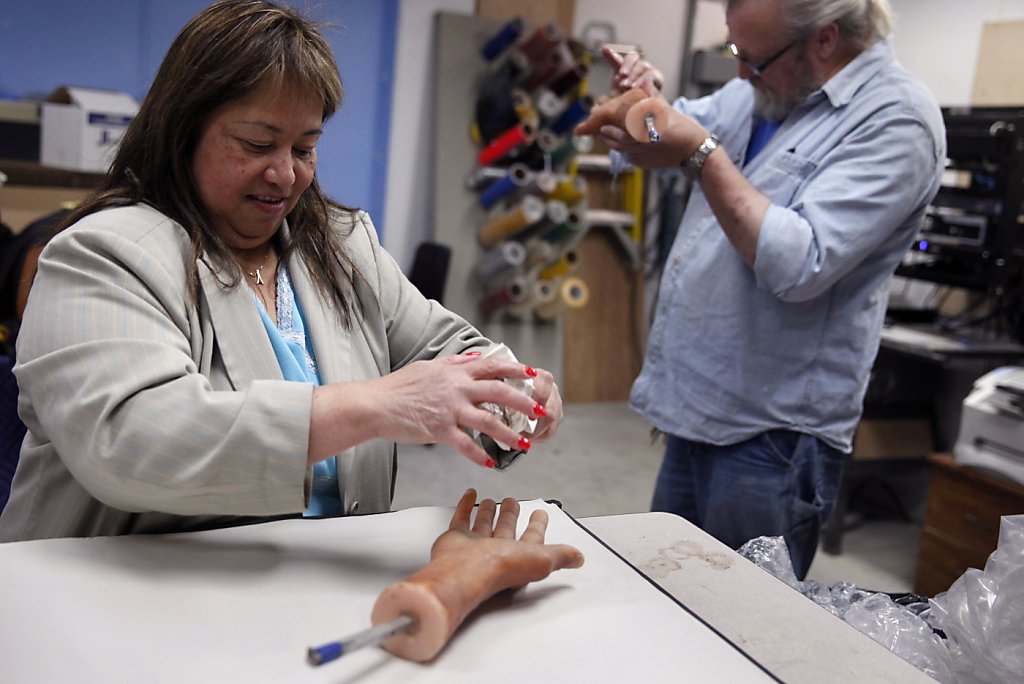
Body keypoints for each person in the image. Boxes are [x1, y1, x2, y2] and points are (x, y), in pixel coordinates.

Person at [0, 0, 563, 542]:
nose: (286, 175)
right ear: (183, 131)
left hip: (314, 585)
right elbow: (130, 443)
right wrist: (374, 405)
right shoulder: (100, 255)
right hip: (119, 601)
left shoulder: (342, 245)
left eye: (305, 148)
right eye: (258, 143)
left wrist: (509, 392)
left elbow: (445, 348)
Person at [577, 0, 944, 579]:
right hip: (700, 405)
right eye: (734, 54)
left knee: (742, 634)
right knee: (667, 597)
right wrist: (643, 103)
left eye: (754, 59)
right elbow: (667, 129)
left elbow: (800, 264)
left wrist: (699, 152)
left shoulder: (897, 121)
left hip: (772, 435)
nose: (741, 73)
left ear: (824, 40)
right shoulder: (765, 87)